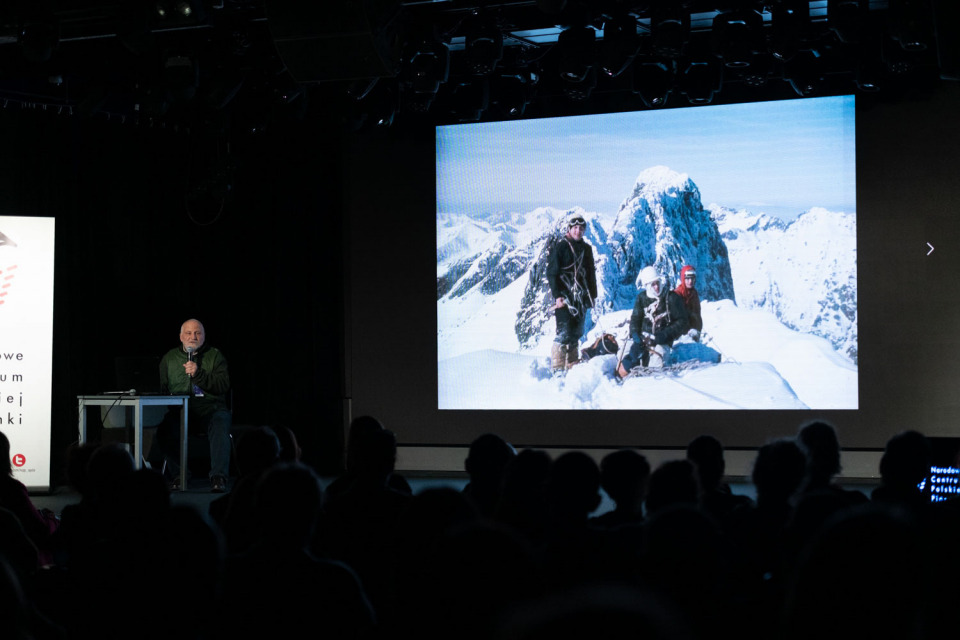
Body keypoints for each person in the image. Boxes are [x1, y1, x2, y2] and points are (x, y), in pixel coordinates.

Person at [156, 318, 232, 492]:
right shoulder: (169, 358)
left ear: (204, 336)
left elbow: (223, 385)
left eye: (198, 333)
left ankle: (218, 477)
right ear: (181, 337)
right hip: (180, 412)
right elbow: (161, 388)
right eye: (189, 333)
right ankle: (179, 475)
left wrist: (198, 375)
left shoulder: (215, 356)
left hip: (210, 410)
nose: (193, 337)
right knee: (165, 430)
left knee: (220, 422)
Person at [545, 211, 598, 372]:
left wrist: (592, 296)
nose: (578, 231)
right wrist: (557, 296)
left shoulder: (586, 249)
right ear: (569, 229)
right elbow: (552, 273)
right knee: (564, 333)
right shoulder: (561, 247)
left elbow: (591, 273)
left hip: (580, 297)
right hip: (565, 297)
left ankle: (572, 365)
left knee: (576, 332)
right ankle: (558, 368)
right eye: (575, 228)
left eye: (581, 228)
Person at [617, 266, 689, 377]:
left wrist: (663, 335)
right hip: (642, 339)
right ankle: (637, 364)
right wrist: (635, 334)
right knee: (622, 359)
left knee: (656, 368)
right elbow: (635, 318)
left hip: (662, 341)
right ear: (647, 286)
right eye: (653, 284)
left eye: (657, 283)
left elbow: (682, 321)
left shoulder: (671, 298)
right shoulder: (641, 298)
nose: (656, 287)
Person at [673, 265, 703, 341]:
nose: (690, 281)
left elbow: (697, 313)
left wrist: (697, 330)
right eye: (687, 278)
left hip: (693, 333)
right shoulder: (677, 294)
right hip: (680, 336)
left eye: (692, 278)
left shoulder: (694, 293)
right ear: (683, 279)